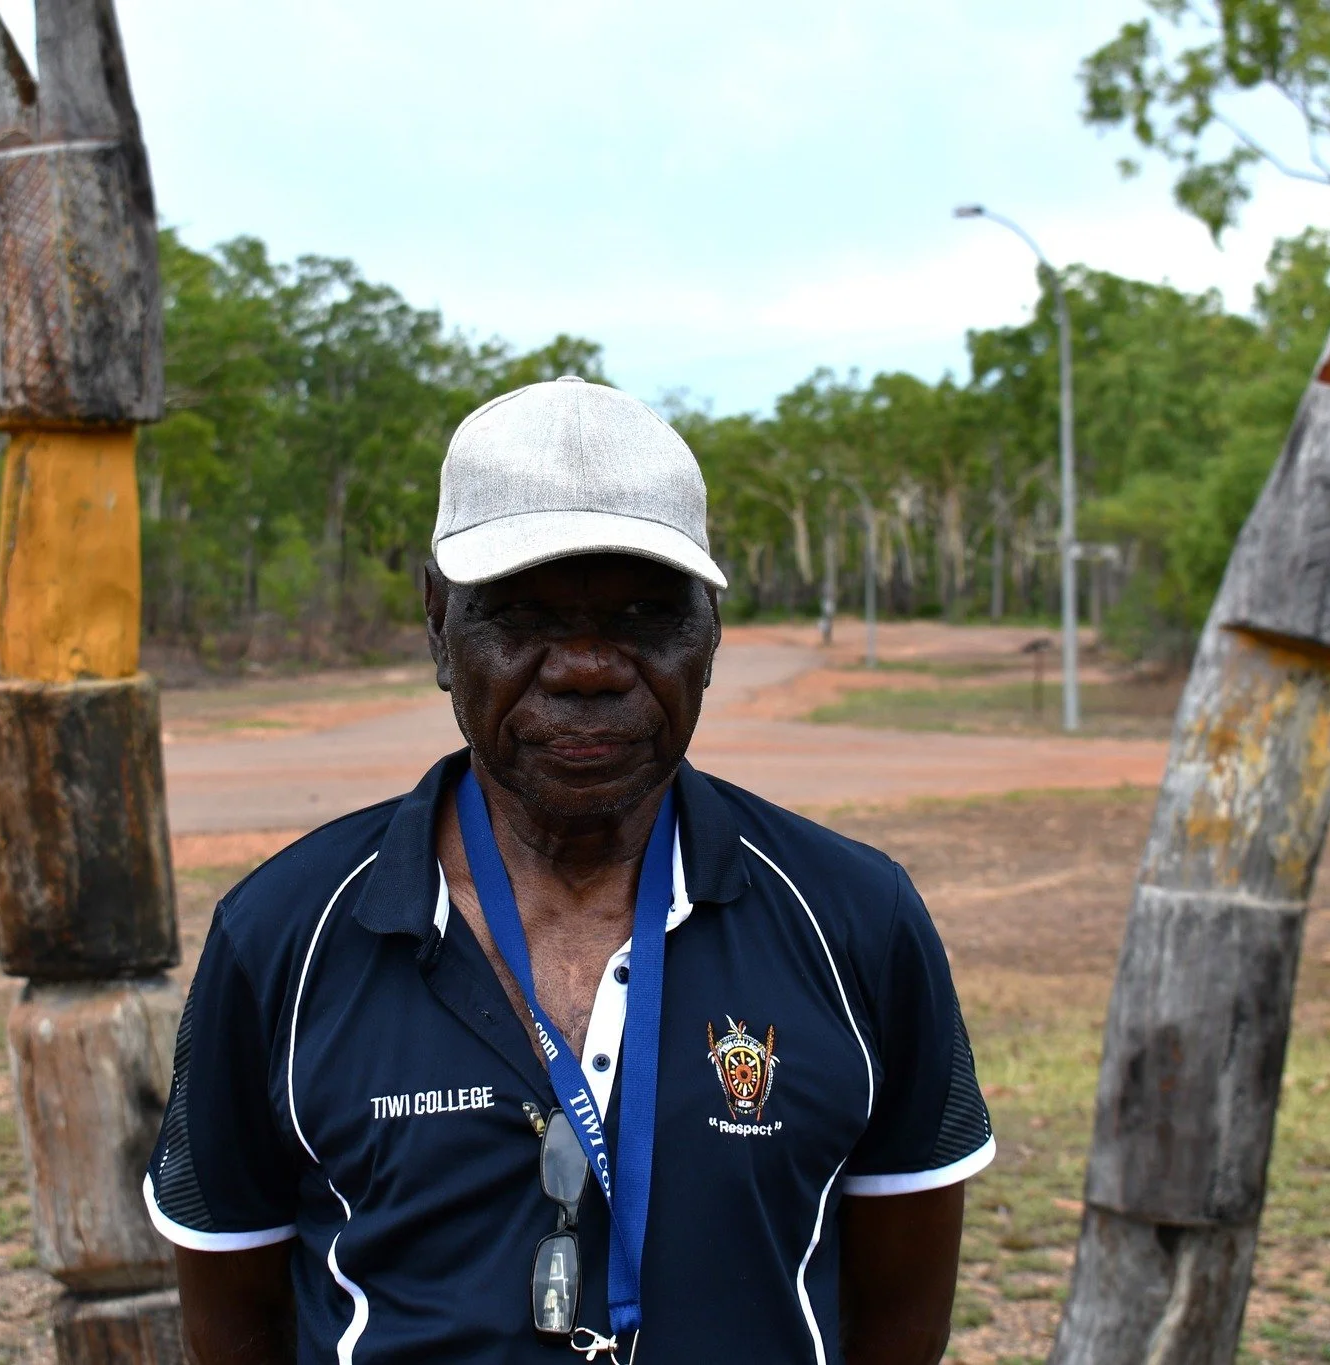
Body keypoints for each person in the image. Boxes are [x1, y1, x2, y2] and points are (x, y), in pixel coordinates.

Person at [144, 377, 994, 1364]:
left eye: (643, 615)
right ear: (435, 623)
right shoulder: (281, 935)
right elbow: (235, 1314)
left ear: (710, 632)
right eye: (521, 614)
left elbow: (897, 1314)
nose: (586, 666)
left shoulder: (854, 918)